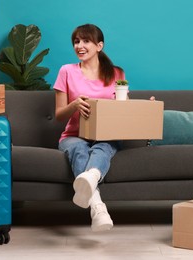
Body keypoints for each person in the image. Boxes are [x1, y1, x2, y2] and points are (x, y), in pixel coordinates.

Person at [53, 24, 125, 232]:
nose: (80, 45)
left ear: (99, 46)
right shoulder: (66, 71)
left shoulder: (116, 73)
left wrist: (142, 108)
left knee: (102, 147)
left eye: (86, 41)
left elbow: (124, 109)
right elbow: (58, 115)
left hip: (107, 135)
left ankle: (91, 179)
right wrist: (73, 105)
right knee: (78, 149)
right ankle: (98, 207)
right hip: (74, 135)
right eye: (76, 41)